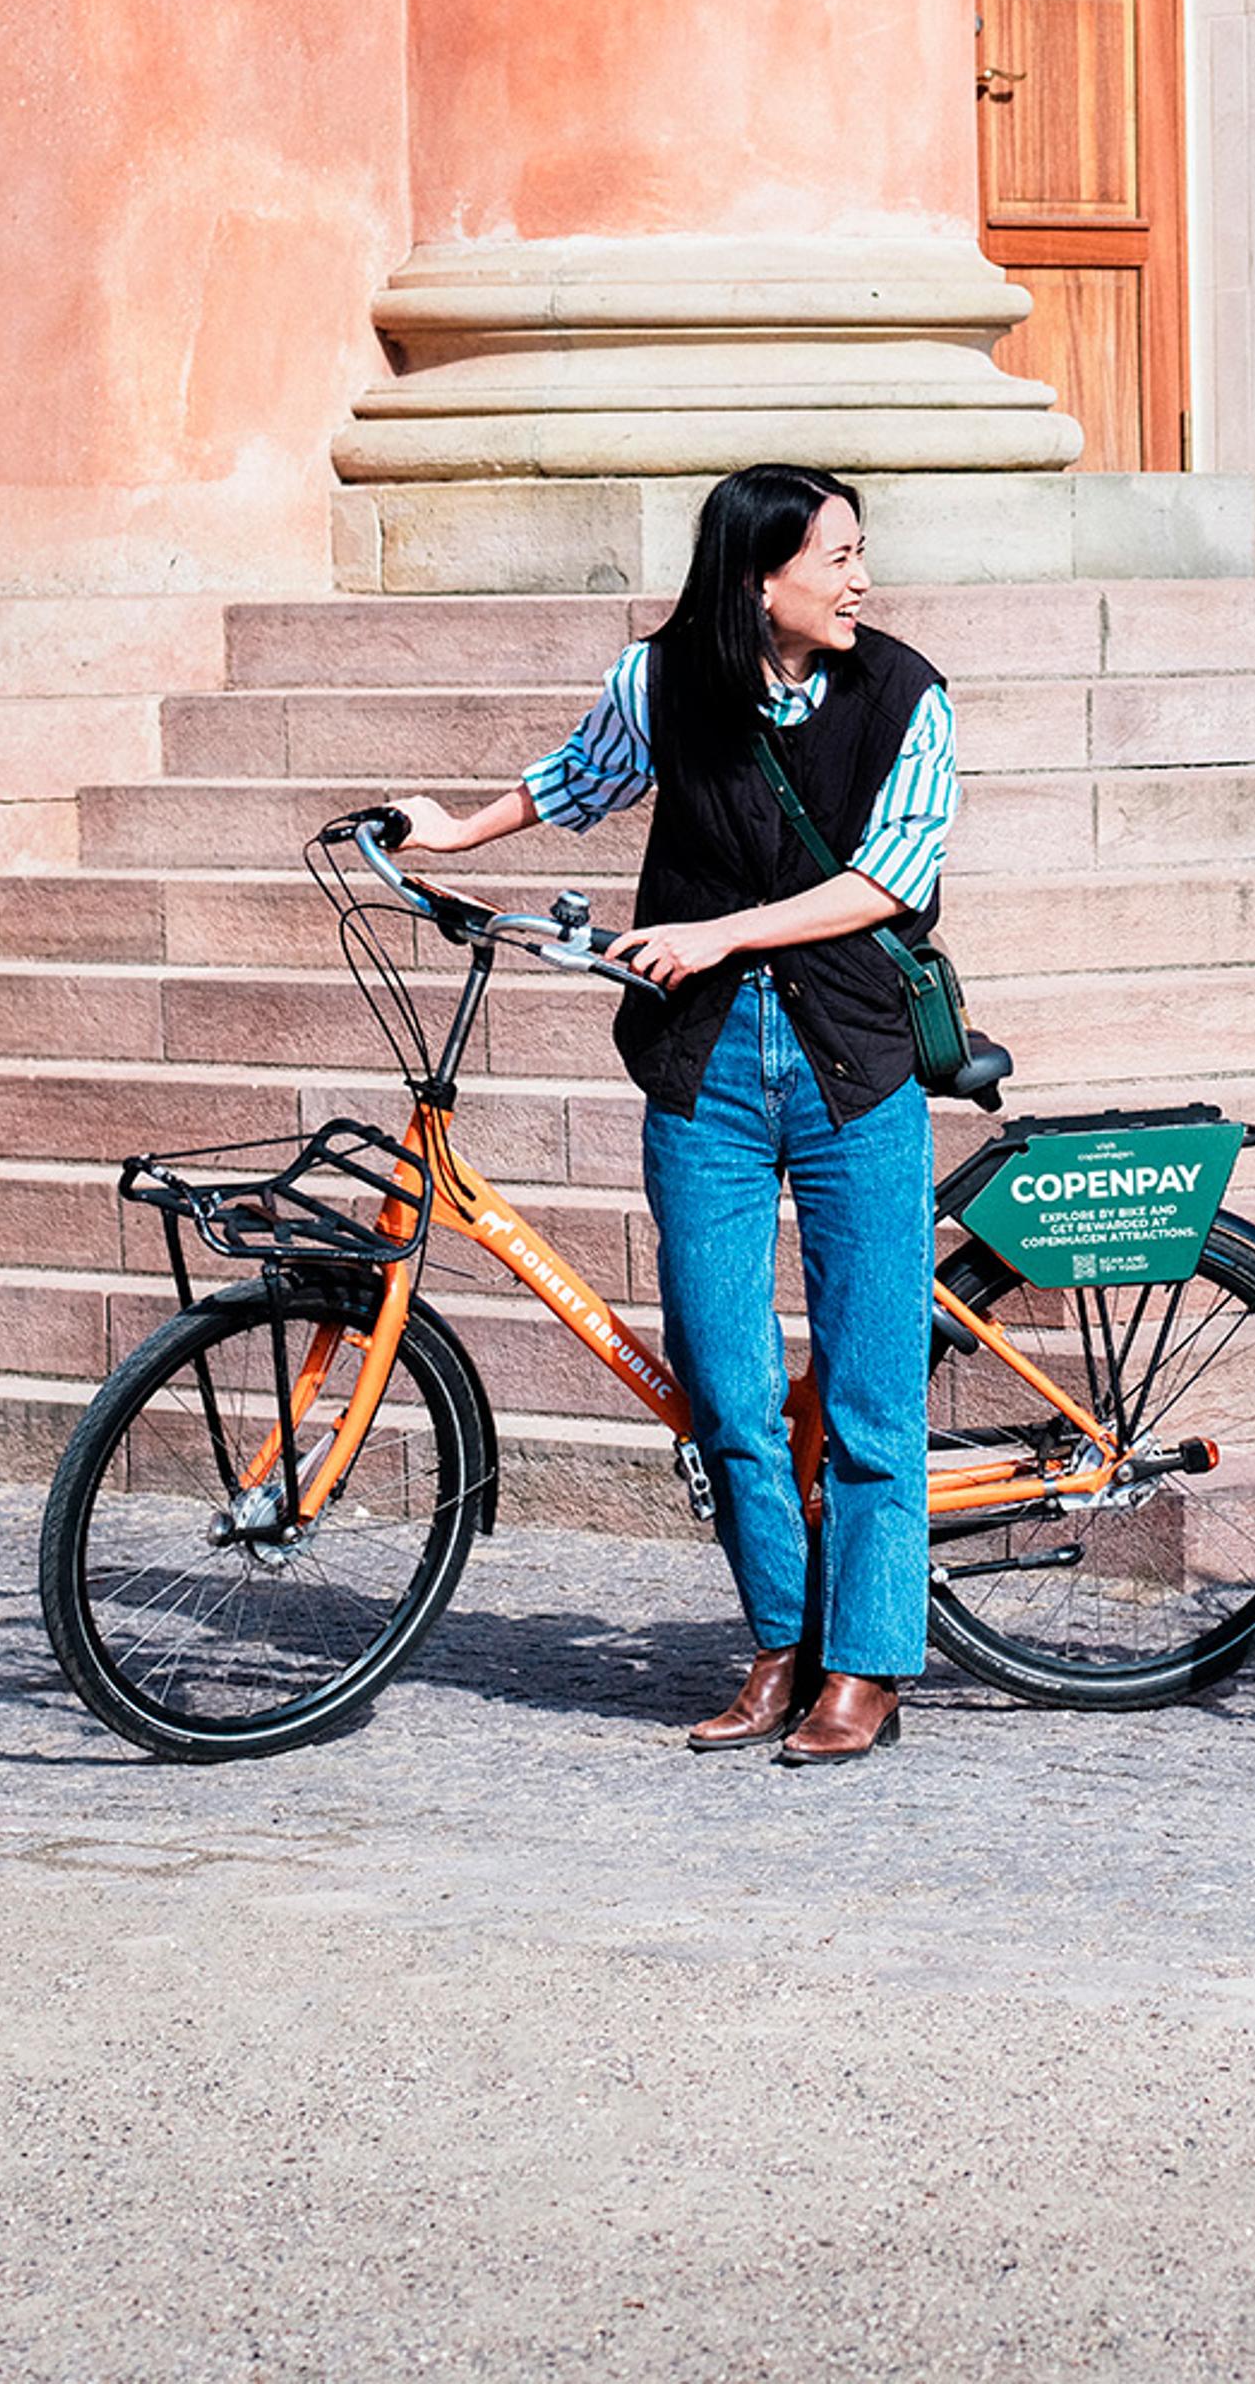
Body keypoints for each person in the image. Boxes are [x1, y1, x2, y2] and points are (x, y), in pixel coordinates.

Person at [393, 465, 956, 1769]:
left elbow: (889, 880)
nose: (861, 582)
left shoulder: (905, 695)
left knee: (871, 1389)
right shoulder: (660, 682)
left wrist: (721, 934)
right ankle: (781, 1643)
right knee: (726, 1385)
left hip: (852, 1062)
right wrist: (450, 833)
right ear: (759, 581)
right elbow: (574, 782)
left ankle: (865, 1667)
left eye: (859, 555)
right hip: (704, 1072)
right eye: (837, 560)